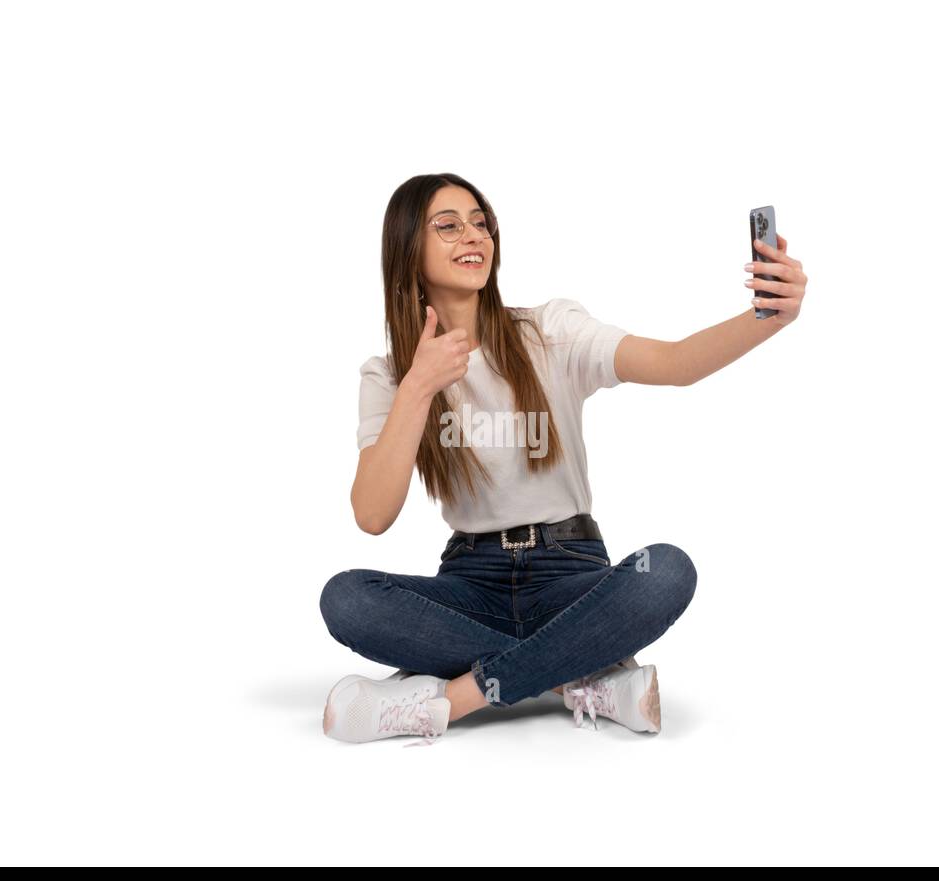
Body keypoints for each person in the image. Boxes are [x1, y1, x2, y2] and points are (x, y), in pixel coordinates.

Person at [319, 173, 807, 744]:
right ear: (409, 250)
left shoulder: (548, 332)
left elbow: (675, 363)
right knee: (346, 598)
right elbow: (372, 515)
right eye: (447, 226)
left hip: (569, 573)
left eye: (480, 223)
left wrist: (766, 318)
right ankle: (577, 676)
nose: (472, 236)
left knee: (665, 570)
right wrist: (419, 388)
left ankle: (453, 699)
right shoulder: (389, 377)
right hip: (470, 586)